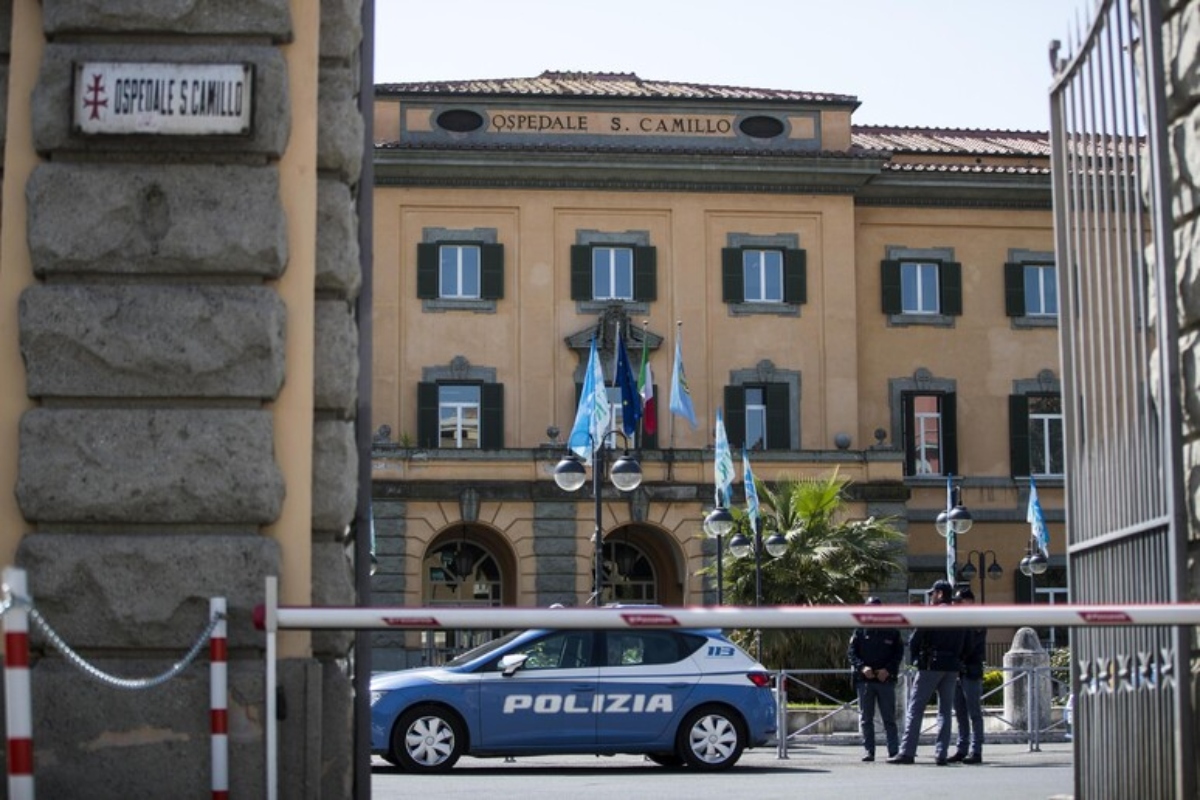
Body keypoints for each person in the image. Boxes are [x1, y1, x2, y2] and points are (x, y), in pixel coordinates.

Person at [887, 580, 969, 765]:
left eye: (933, 594)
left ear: (939, 594)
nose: (931, 597)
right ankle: (941, 753)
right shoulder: (960, 615)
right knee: (945, 711)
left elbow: (916, 638)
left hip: (931, 665)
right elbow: (966, 642)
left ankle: (907, 751)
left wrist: (917, 659)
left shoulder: (932, 613)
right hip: (951, 667)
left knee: (915, 708)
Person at [847, 596, 904, 762]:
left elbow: (898, 653)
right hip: (865, 680)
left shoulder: (892, 630)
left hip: (885, 680)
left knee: (889, 719)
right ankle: (868, 751)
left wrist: (888, 670)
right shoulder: (860, 630)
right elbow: (851, 653)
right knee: (866, 719)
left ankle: (893, 751)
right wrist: (862, 667)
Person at [949, 586, 987, 764]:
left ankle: (976, 750)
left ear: (970, 602)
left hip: (970, 670)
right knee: (960, 713)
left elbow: (971, 647)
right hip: (957, 671)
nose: (956, 604)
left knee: (974, 713)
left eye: (960, 601)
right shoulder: (958, 620)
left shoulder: (976, 620)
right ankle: (961, 749)